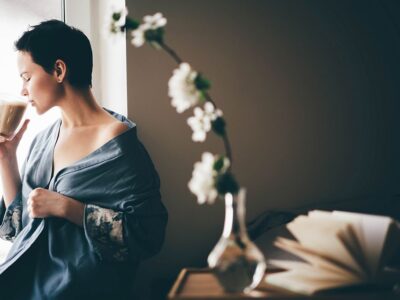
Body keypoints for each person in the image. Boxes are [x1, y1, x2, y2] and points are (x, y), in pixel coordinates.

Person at [0, 19, 168, 300]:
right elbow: (19, 229)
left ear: (58, 70)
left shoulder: (116, 143)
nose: (23, 91)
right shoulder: (44, 141)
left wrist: (67, 208)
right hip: (24, 284)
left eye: (27, 77)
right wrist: (6, 159)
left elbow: (147, 235)